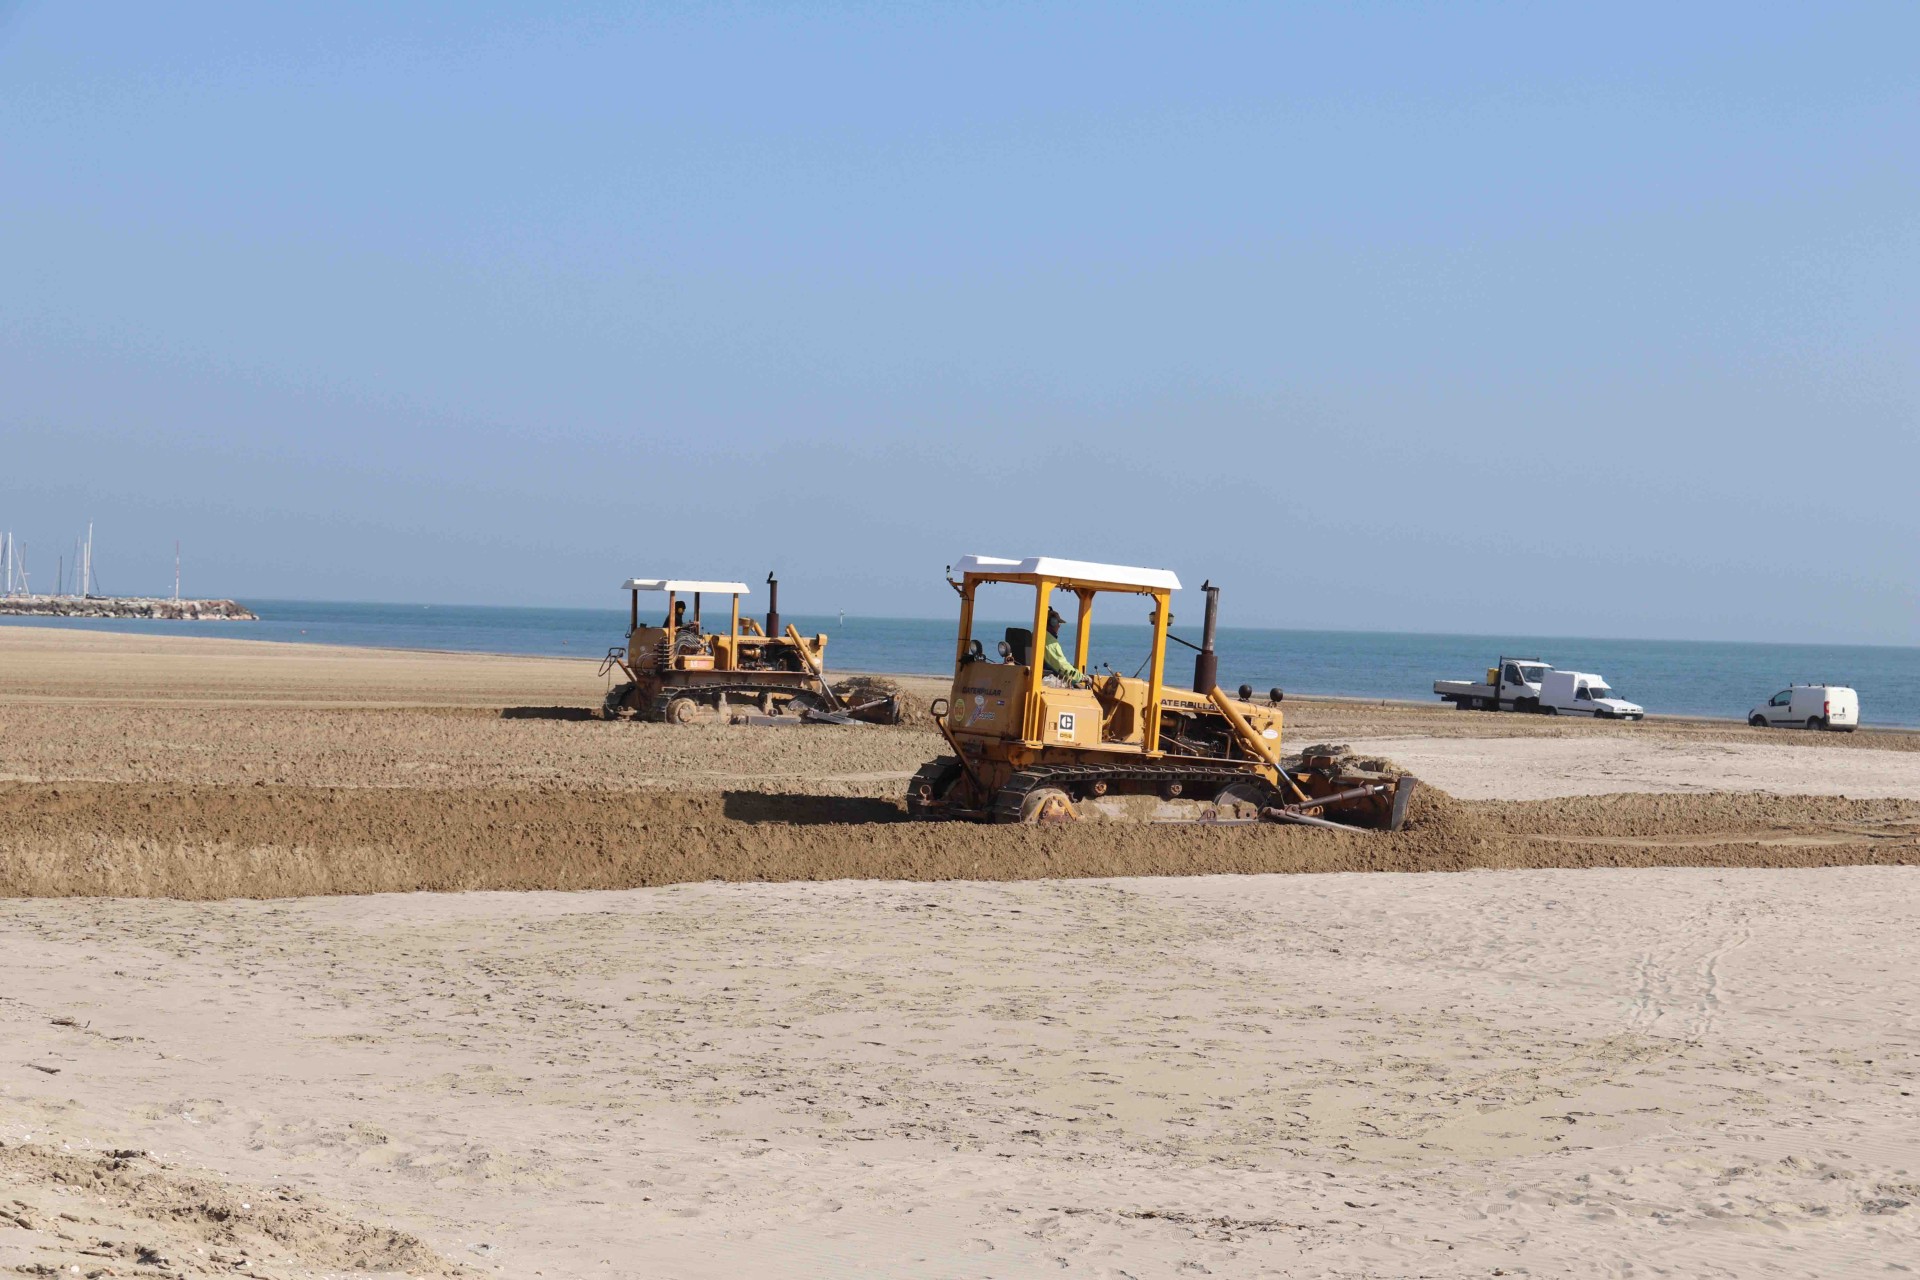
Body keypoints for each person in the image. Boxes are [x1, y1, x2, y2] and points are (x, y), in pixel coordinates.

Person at [1042, 607, 1087, 685]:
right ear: (1053, 622)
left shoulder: (1036, 636)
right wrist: (1081, 677)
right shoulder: (1050, 642)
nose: (1059, 626)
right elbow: (1061, 665)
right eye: (1058, 623)